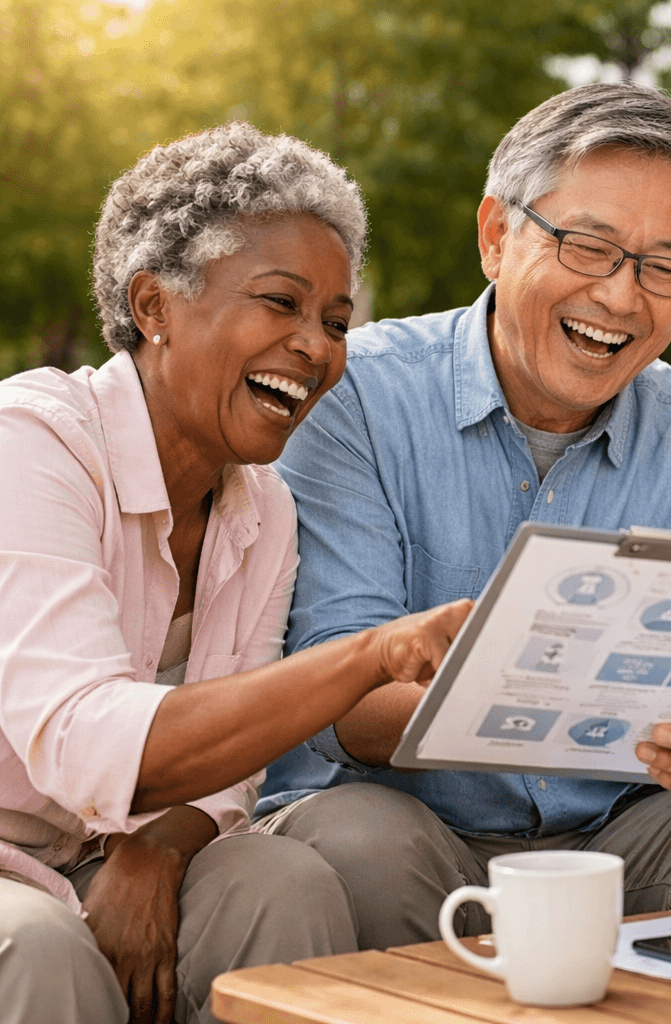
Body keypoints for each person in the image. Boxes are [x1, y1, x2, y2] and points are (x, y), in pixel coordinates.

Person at [255, 82, 671, 950]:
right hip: (410, 825)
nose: (620, 297)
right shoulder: (358, 399)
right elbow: (336, 693)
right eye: (589, 246)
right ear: (497, 235)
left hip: (622, 837)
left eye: (663, 266)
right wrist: (513, 688)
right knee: (358, 847)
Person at [0, 123, 471, 1024]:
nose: (317, 346)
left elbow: (228, 774)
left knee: (280, 879)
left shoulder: (264, 509)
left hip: (95, 847)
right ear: (154, 307)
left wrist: (158, 852)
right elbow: (88, 742)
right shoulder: (32, 443)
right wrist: (371, 656)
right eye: (281, 303)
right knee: (41, 946)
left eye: (336, 321)